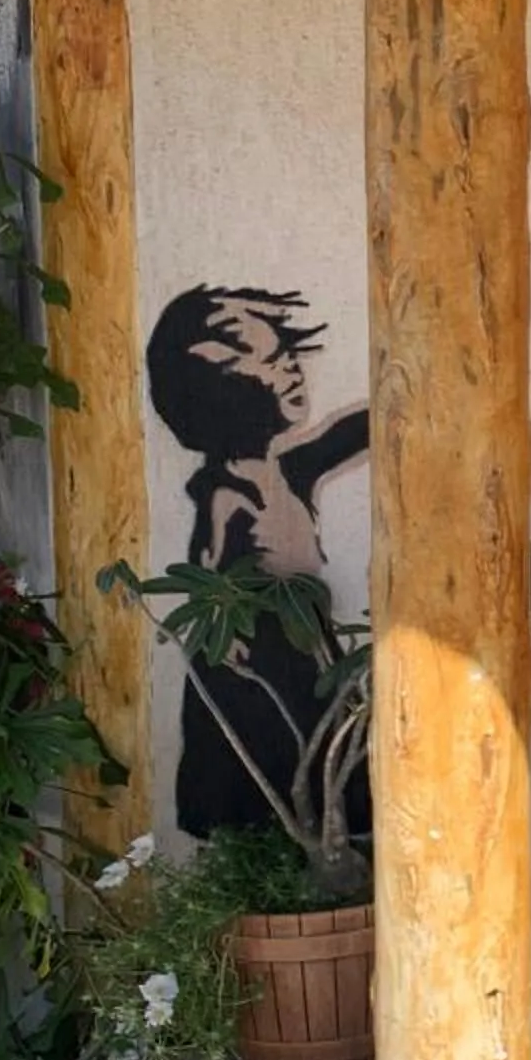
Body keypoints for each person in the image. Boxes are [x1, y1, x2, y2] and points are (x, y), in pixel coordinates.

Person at [144, 285, 369, 839]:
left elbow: (348, 433)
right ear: (222, 391)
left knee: (319, 787)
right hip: (252, 670)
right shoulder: (226, 491)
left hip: (305, 655)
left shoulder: (290, 468)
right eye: (272, 360)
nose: (292, 369)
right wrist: (230, 616)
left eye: (289, 352)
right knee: (264, 793)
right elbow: (210, 563)